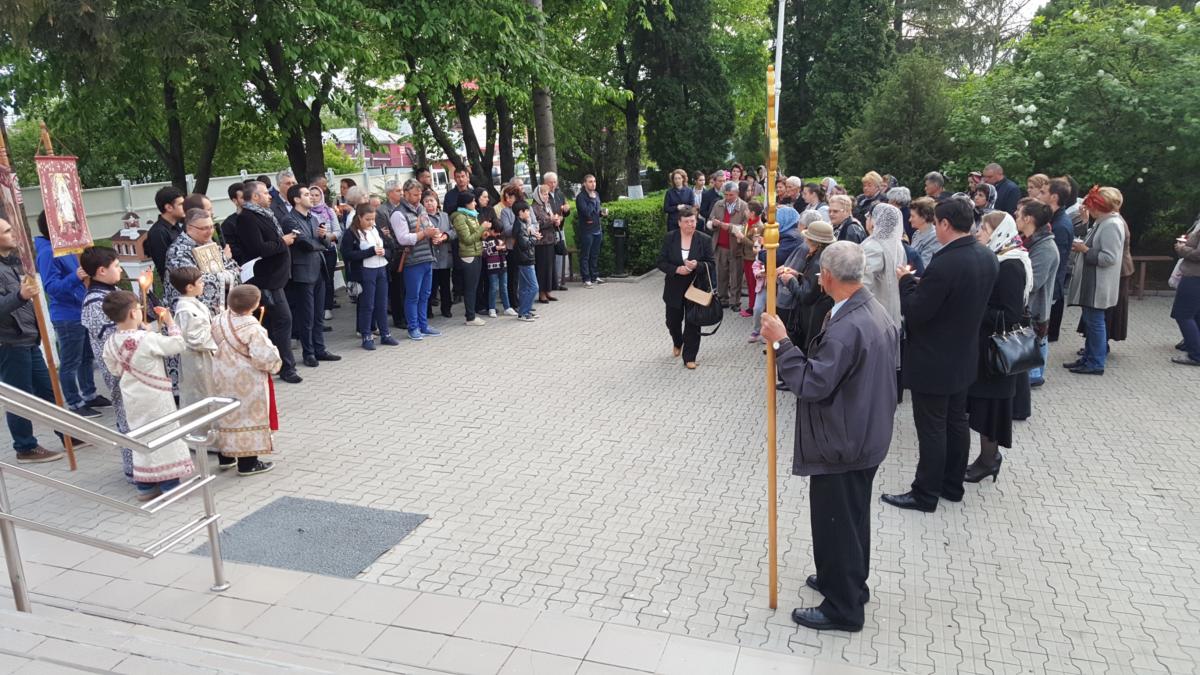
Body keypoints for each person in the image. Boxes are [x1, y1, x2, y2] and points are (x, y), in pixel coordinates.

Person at [760, 240, 900, 633]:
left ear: (826, 276)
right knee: (851, 520)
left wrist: (781, 342)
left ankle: (843, 608)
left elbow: (811, 383)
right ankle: (847, 582)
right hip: (863, 432)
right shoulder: (870, 309)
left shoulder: (848, 327)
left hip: (843, 441)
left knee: (836, 524)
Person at [882, 197, 998, 513]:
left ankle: (925, 494)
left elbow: (917, 311)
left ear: (945, 224)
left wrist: (906, 282)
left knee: (932, 428)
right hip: (963, 356)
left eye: (936, 224)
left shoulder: (946, 262)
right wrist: (924, 284)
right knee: (956, 423)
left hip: (934, 360)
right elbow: (956, 297)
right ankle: (952, 485)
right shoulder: (986, 255)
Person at [100, 290, 192, 500]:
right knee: (164, 435)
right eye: (139, 309)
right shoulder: (147, 338)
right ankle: (170, 485)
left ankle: (145, 486)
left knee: (140, 436)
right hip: (155, 396)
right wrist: (170, 323)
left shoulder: (110, 342)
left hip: (132, 396)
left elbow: (114, 369)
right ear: (133, 313)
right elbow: (178, 344)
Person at [962, 213, 1032, 485]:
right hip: (988, 346)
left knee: (990, 407)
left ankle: (989, 460)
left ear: (999, 231)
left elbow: (1011, 313)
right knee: (983, 404)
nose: (979, 232)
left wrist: (976, 306)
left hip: (997, 350)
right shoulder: (1000, 256)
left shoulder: (1011, 264)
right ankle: (987, 458)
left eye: (984, 228)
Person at [1, 218, 71, 464]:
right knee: (20, 397)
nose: (13, 234)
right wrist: (20, 295)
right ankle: (25, 447)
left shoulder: (11, 262)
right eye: (7, 231)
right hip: (10, 342)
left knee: (48, 389)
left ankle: (69, 434)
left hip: (28, 338)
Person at [34, 213, 108, 418]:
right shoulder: (47, 252)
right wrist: (75, 277)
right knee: (70, 362)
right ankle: (74, 403)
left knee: (87, 356)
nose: (71, 228)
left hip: (80, 309)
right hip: (66, 315)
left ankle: (89, 394)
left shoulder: (67, 248)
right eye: (67, 224)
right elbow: (51, 288)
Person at [211, 285, 281, 476]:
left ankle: (226, 457)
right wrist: (276, 363)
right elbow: (265, 356)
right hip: (247, 379)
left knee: (225, 414)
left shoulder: (219, 319)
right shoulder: (253, 328)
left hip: (223, 374)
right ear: (254, 305)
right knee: (247, 417)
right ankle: (248, 463)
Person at [80, 246, 137, 480]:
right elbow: (112, 337)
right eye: (116, 266)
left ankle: (149, 465)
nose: (120, 270)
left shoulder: (112, 291)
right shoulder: (94, 302)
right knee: (126, 415)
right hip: (118, 369)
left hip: (133, 365)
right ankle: (134, 469)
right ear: (102, 271)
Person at [236, 180, 300, 383]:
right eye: (265, 193)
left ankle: (274, 363)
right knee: (283, 320)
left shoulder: (264, 213)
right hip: (266, 278)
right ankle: (287, 367)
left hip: (277, 276)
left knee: (274, 322)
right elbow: (258, 248)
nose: (270, 196)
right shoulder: (247, 218)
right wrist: (283, 242)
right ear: (255, 197)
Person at [1065, 186, 1126, 375]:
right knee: (1092, 322)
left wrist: (1084, 250)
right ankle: (1088, 358)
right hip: (1093, 283)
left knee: (1096, 323)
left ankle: (1095, 363)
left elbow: (1109, 258)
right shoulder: (1104, 221)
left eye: (1091, 206)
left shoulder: (1111, 224)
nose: (1088, 209)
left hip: (1099, 285)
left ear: (1099, 206)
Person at [281, 184, 339, 369]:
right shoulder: (289, 220)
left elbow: (327, 242)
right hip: (303, 273)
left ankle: (320, 349)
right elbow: (304, 244)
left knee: (318, 314)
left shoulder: (313, 218)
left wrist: (323, 237)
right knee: (307, 316)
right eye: (306, 194)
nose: (311, 197)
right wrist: (321, 243)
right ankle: (309, 353)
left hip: (319, 269)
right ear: (296, 199)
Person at [656, 207, 716, 369]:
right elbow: (660, 262)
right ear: (679, 223)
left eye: (693, 221)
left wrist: (698, 265)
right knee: (672, 321)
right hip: (674, 286)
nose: (690, 224)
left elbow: (711, 263)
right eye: (687, 221)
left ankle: (690, 357)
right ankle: (677, 341)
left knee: (693, 322)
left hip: (696, 287)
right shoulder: (670, 238)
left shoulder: (704, 239)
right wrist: (676, 269)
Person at [391, 179, 445, 341]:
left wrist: (435, 235)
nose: (418, 197)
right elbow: (403, 239)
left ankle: (423, 325)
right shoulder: (398, 213)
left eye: (420, 194)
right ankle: (413, 327)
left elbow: (428, 226)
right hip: (412, 260)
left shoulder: (421, 209)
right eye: (415, 194)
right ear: (406, 194)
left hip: (427, 256)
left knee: (425, 295)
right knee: (413, 296)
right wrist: (425, 234)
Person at [1015, 199, 1060, 387]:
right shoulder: (1029, 241)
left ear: (1028, 219)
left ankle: (1034, 377)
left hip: (1035, 310)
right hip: (1029, 308)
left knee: (1036, 344)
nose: (1015, 216)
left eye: (1019, 214)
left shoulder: (1045, 247)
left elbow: (1034, 282)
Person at [341, 204, 400, 349]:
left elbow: (389, 247)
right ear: (359, 217)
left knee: (382, 303)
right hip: (365, 271)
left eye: (373, 219)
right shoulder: (352, 233)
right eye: (367, 219)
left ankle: (385, 334)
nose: (371, 222)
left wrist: (384, 252)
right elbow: (347, 254)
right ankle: (366, 336)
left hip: (381, 269)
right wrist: (370, 252)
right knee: (367, 305)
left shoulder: (375, 229)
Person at [164, 208, 241, 315]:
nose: (210, 232)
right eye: (204, 228)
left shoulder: (211, 244)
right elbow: (192, 280)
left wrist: (225, 275)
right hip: (190, 312)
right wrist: (225, 276)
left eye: (211, 227)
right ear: (189, 228)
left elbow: (234, 268)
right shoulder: (177, 251)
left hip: (219, 309)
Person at [778, 221, 836, 351]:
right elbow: (812, 284)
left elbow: (806, 296)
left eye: (807, 237)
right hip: (816, 314)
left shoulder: (817, 262)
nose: (804, 239)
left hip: (813, 318)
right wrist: (798, 275)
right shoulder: (820, 256)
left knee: (808, 350)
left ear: (813, 241)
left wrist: (790, 281)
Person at [169, 267, 218, 422]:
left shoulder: (193, 303)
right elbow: (195, 339)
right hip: (197, 360)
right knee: (200, 394)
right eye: (200, 282)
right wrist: (217, 332)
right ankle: (202, 431)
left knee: (210, 393)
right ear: (190, 287)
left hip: (205, 357)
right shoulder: (186, 310)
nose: (203, 284)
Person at [708, 181, 749, 311]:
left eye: (731, 195)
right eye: (725, 194)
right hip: (720, 246)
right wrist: (713, 224)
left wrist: (730, 227)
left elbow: (746, 228)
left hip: (736, 247)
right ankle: (722, 299)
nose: (727, 197)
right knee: (721, 275)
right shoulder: (718, 204)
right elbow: (709, 221)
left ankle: (735, 302)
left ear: (737, 193)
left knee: (736, 276)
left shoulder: (744, 206)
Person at [862, 203, 905, 327]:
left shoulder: (874, 247)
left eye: (868, 217)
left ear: (874, 220)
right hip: (891, 306)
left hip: (875, 308)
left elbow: (864, 282)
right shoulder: (897, 245)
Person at [1046, 178, 1076, 342]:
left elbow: (1056, 260)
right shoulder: (1055, 219)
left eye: (1043, 192)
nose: (1039, 195)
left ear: (1054, 197)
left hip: (1052, 282)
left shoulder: (1060, 225)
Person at [451, 191, 486, 326]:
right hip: (468, 255)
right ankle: (470, 317)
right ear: (466, 203)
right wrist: (482, 228)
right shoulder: (460, 217)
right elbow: (466, 239)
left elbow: (475, 235)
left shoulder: (472, 214)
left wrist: (483, 234)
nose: (475, 203)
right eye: (473, 201)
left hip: (477, 252)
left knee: (474, 286)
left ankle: (471, 314)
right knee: (470, 287)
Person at [532, 172, 568, 300]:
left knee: (550, 267)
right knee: (542, 268)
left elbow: (551, 218)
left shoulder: (546, 206)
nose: (546, 196)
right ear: (538, 195)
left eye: (547, 194)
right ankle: (541, 293)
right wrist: (550, 220)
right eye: (544, 194)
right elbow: (536, 224)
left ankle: (548, 291)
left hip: (551, 240)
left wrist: (556, 221)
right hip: (541, 242)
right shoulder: (534, 207)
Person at [308, 184, 341, 319]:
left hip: (329, 249)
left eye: (317, 195)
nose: (314, 198)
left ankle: (327, 307)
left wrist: (326, 236)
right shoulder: (307, 212)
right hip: (314, 251)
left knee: (328, 279)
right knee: (315, 280)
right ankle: (317, 308)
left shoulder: (329, 211)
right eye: (311, 195)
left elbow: (338, 232)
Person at [1171, 214, 1200, 366]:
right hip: (1194, 275)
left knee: (1183, 314)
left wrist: (1182, 249)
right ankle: (1194, 347)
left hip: (1195, 276)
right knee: (1195, 314)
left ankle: (1195, 354)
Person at [424, 191, 457, 318]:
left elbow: (453, 231)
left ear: (437, 202)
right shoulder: (422, 218)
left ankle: (446, 309)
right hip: (430, 256)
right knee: (430, 286)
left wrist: (444, 236)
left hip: (444, 255)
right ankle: (428, 311)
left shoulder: (445, 216)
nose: (429, 204)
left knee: (445, 285)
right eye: (426, 201)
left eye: (432, 200)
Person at [145, 186, 185, 282]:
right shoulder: (158, 232)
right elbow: (164, 265)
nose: (185, 207)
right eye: (181, 204)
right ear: (168, 207)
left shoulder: (177, 226)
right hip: (175, 283)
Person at [512, 202, 541, 321]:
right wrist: (534, 237)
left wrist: (532, 235)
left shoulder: (523, 223)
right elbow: (524, 244)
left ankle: (524, 311)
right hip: (525, 259)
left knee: (524, 288)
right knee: (534, 287)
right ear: (521, 212)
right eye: (527, 211)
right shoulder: (520, 225)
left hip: (525, 258)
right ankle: (524, 312)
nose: (529, 213)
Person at [576, 174, 605, 288]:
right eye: (590, 181)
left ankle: (594, 276)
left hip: (597, 228)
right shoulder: (581, 197)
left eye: (594, 181)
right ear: (584, 183)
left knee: (595, 254)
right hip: (587, 230)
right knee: (585, 255)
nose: (593, 184)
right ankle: (586, 279)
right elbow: (587, 213)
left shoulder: (596, 194)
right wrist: (592, 200)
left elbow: (596, 211)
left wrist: (601, 213)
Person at [740, 201, 764, 316]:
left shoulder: (758, 226)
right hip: (746, 257)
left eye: (747, 210)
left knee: (753, 284)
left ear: (752, 213)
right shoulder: (749, 222)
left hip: (752, 258)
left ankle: (753, 308)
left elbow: (755, 246)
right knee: (750, 284)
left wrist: (742, 238)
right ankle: (752, 305)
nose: (745, 212)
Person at [908, 197, 942, 270]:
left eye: (913, 216)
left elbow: (924, 266)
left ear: (924, 217)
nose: (909, 219)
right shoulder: (916, 233)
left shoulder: (935, 237)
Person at [221, 182, 247, 263]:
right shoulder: (228, 224)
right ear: (235, 201)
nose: (248, 200)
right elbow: (232, 250)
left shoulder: (260, 216)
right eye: (243, 198)